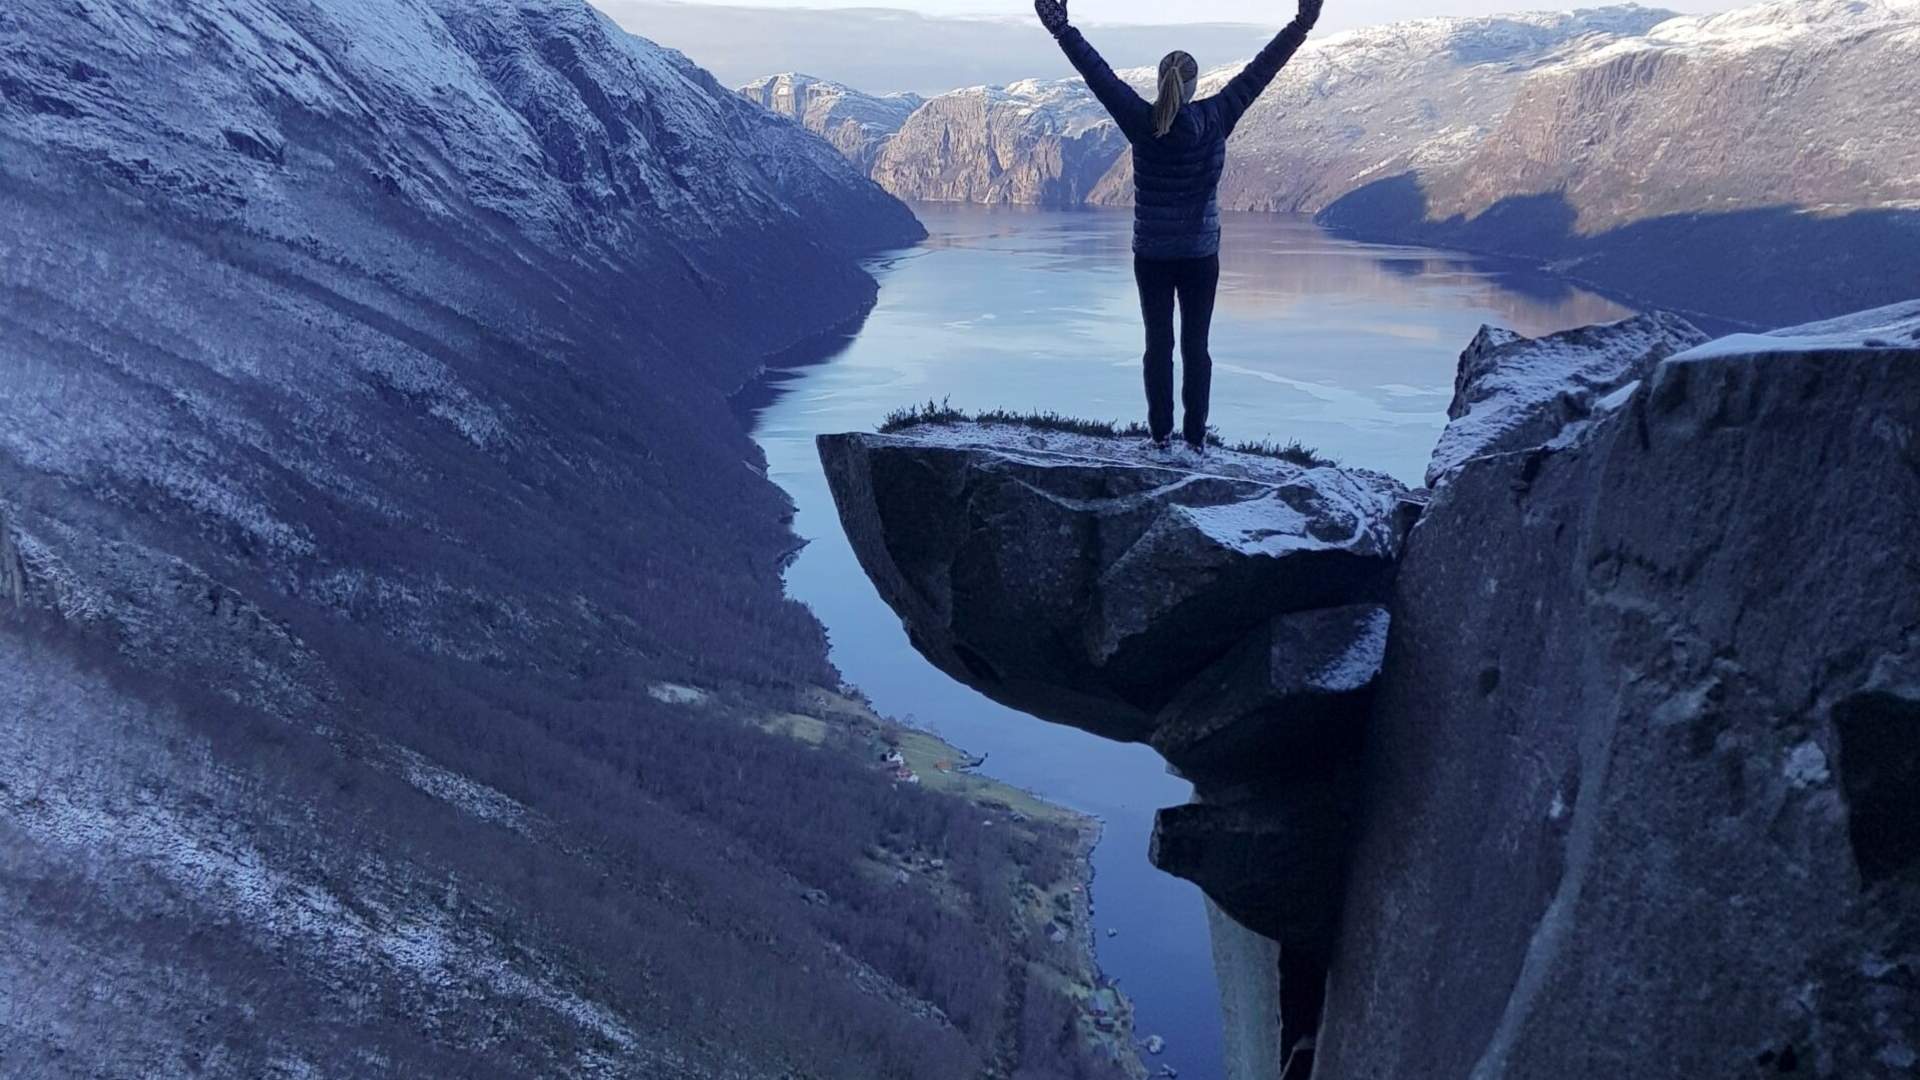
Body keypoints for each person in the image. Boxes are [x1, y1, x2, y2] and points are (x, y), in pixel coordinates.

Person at [1035, 0, 1325, 456]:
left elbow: (1099, 77)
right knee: (1196, 347)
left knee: (1158, 345)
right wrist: (1301, 23)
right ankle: (1195, 438)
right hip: (1198, 256)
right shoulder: (1217, 117)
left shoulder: (1139, 120)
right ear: (1193, 87)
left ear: (1160, 83)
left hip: (1150, 254)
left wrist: (1061, 30)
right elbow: (1261, 71)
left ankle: (1160, 435)